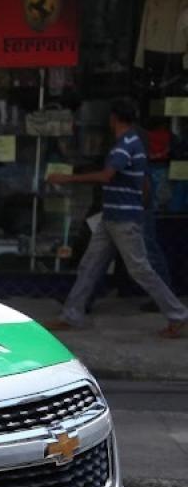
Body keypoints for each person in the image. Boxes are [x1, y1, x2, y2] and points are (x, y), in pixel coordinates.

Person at [47, 98, 187, 339]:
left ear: (113, 118)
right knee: (90, 265)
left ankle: (177, 314)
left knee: (140, 269)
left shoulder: (125, 145)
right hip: (113, 216)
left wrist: (67, 179)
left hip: (122, 217)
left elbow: (107, 175)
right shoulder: (133, 141)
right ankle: (71, 314)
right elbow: (140, 180)